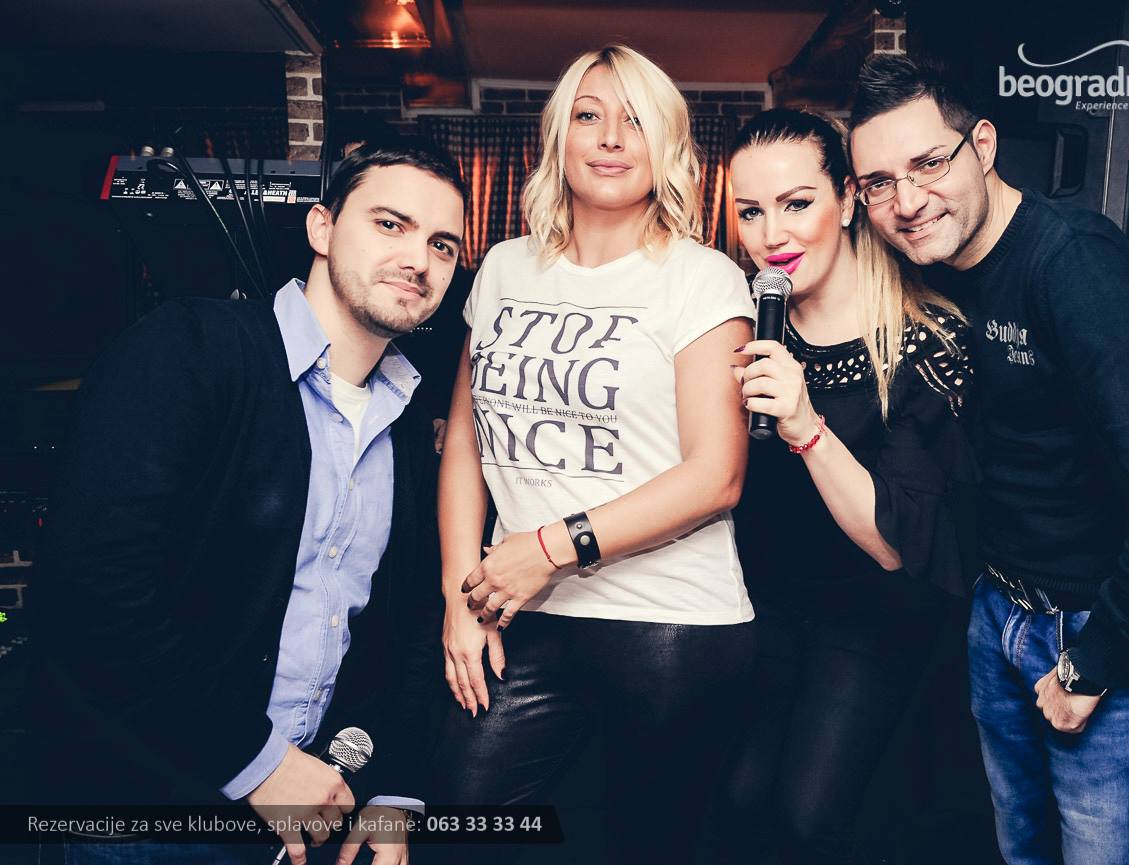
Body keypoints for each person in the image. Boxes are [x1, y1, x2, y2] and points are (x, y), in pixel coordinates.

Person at [30, 141, 465, 865]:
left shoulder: (409, 417)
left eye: (442, 244)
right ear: (322, 228)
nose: (418, 259)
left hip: (308, 822)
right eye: (391, 224)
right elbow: (90, 592)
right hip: (148, 819)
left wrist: (393, 787)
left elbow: (405, 622)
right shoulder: (189, 350)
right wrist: (253, 761)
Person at [848, 55, 1129, 865]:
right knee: (1022, 850)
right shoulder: (935, 269)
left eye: (928, 163)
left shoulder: (1073, 264)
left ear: (983, 146)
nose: (907, 201)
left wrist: (1093, 663)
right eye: (879, 182)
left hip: (1097, 625)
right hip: (1000, 611)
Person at [429, 45, 756, 863]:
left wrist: (548, 546)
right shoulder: (503, 268)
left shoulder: (703, 278)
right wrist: (458, 595)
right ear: (558, 137)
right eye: (588, 115)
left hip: (669, 622)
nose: (611, 137)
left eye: (635, 120)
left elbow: (716, 475)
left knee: (643, 846)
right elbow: (466, 439)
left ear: (666, 144)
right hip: (519, 611)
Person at [716, 108, 977, 862]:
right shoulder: (743, 323)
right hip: (761, 606)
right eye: (750, 211)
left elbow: (898, 547)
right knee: (734, 799)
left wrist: (804, 425)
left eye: (797, 203)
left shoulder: (926, 342)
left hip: (873, 619)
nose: (772, 234)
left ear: (849, 199)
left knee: (809, 816)